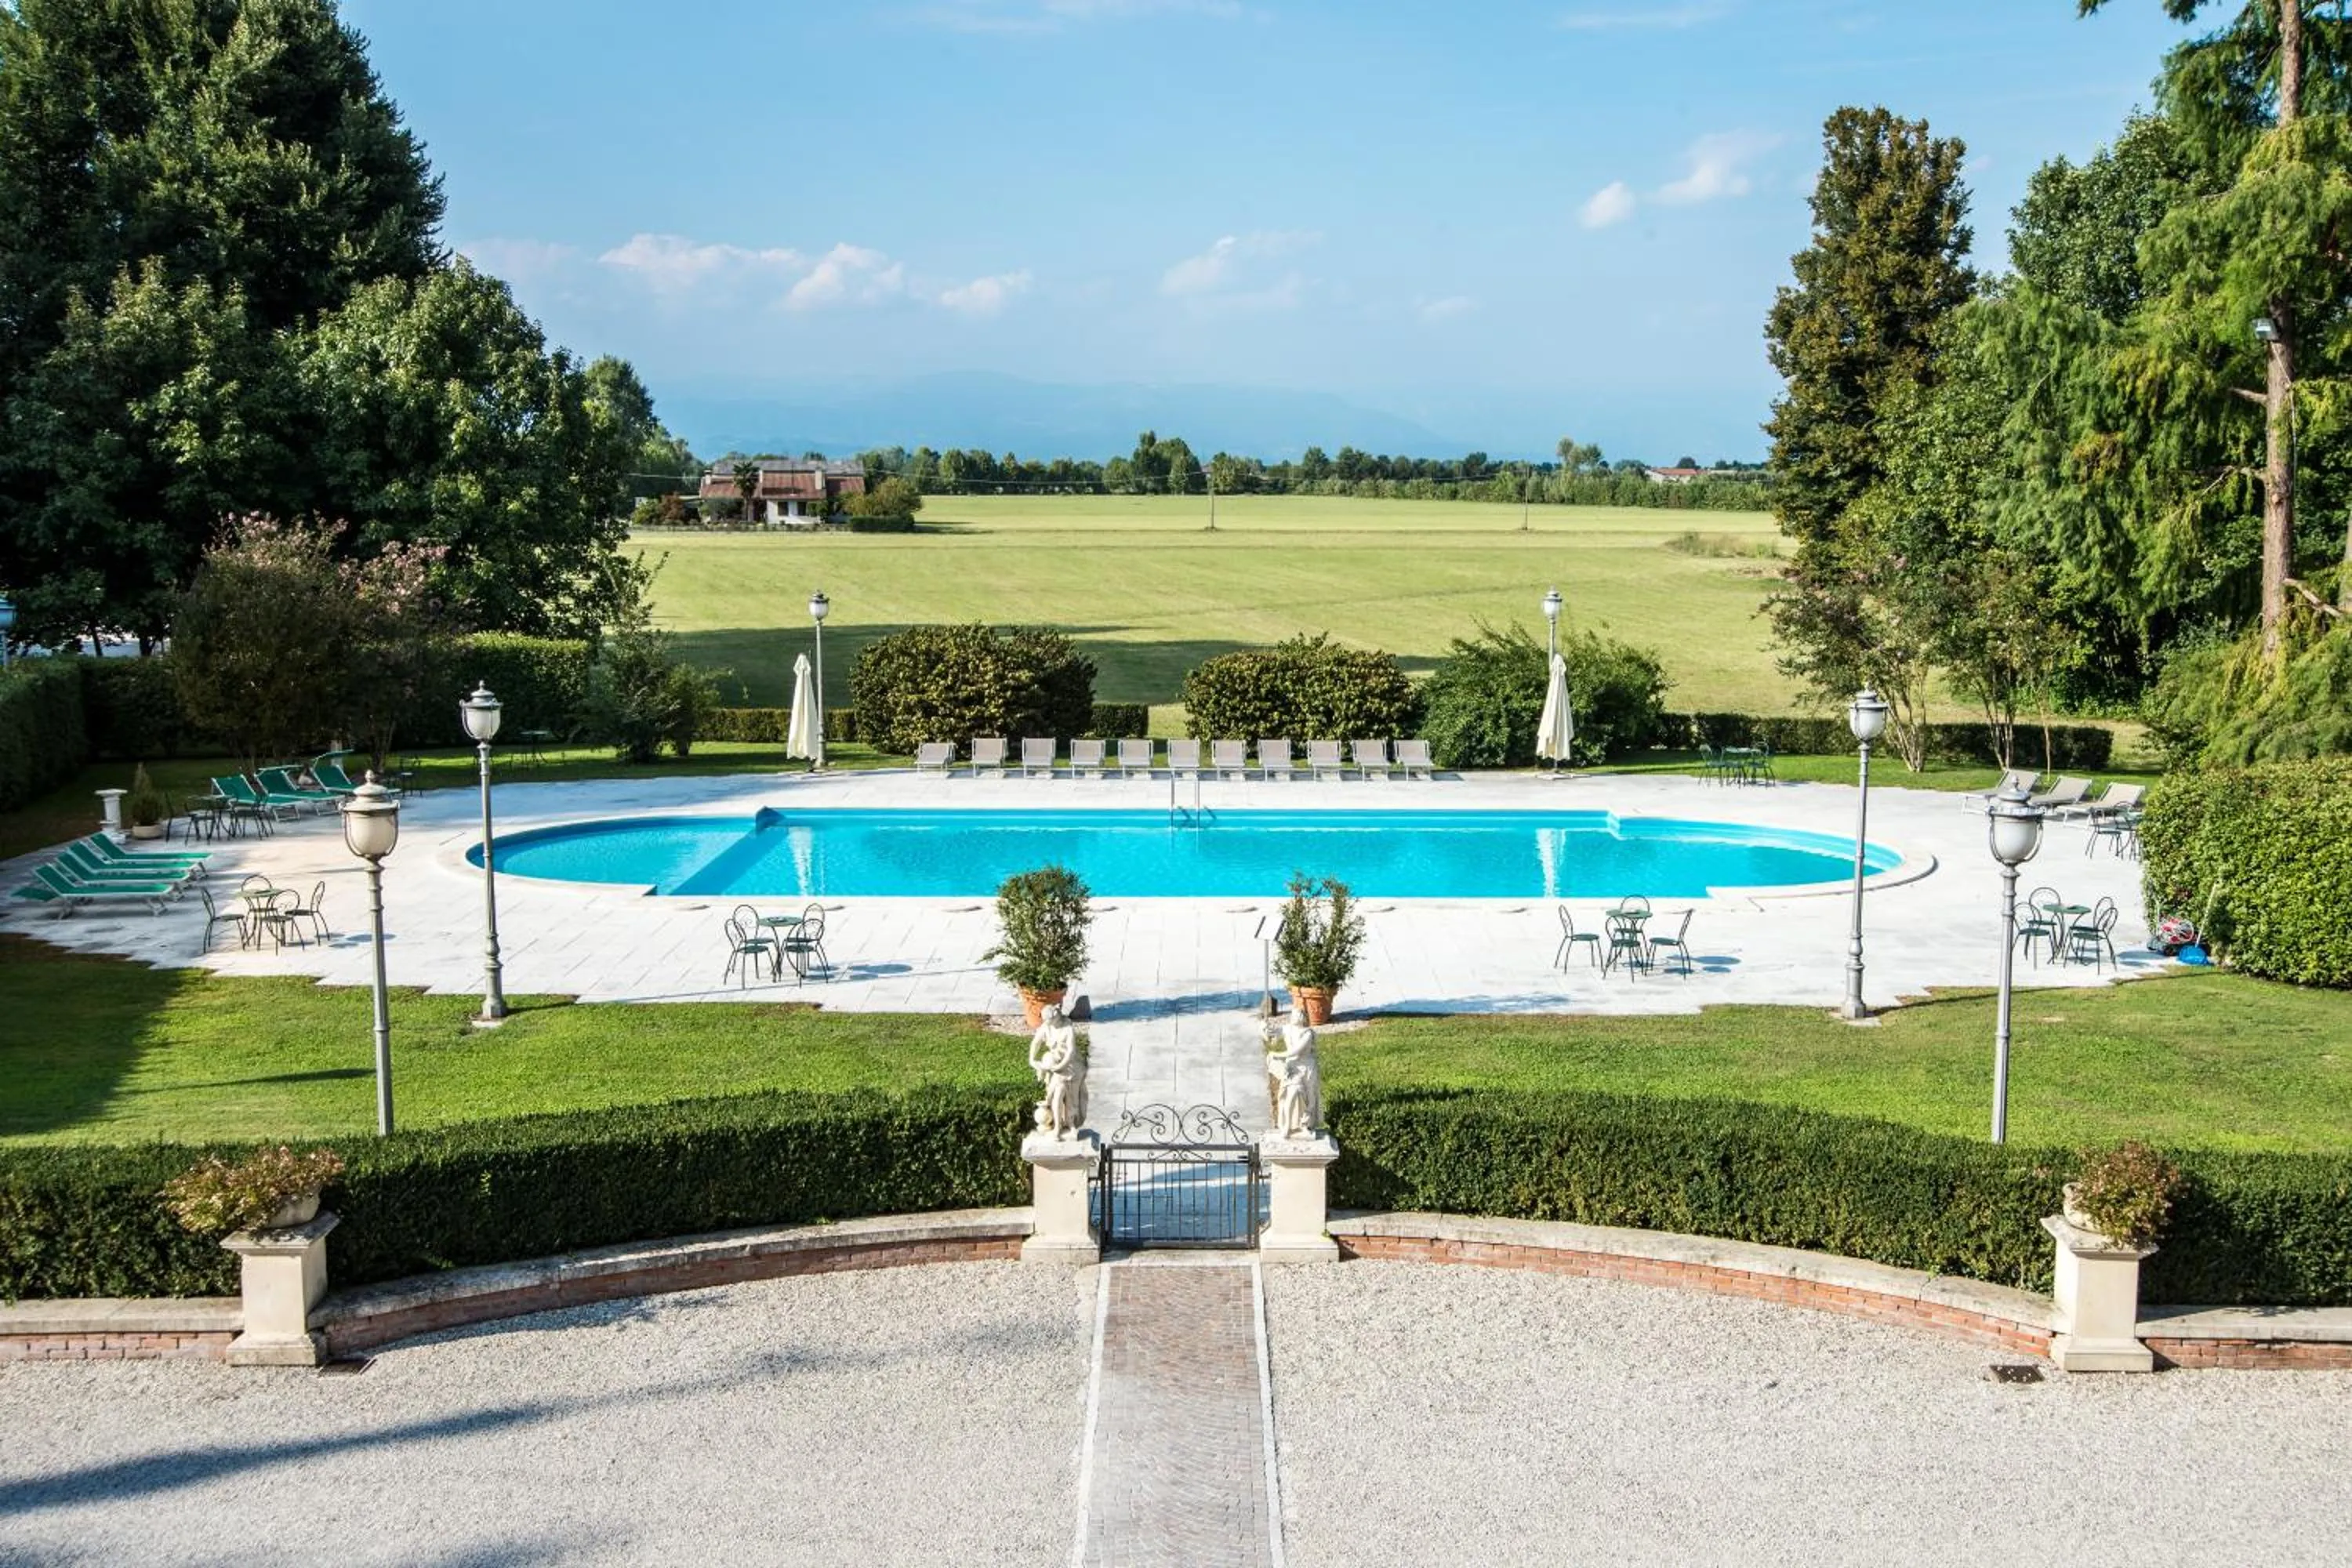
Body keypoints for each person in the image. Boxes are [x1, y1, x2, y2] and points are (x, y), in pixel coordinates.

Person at [1028, 1004, 1086, 1138]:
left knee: (1071, 1099)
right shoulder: (1046, 1027)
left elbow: (1071, 1051)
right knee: (1057, 1095)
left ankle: (1071, 1124)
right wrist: (1032, 1059)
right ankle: (1058, 1127)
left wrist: (1060, 1067)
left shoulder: (1067, 1027)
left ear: (1055, 1017)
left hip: (1071, 1067)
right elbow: (1036, 1042)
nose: (1046, 1024)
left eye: (1048, 1021)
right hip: (1056, 1066)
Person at [1262, 1014, 1323, 1139]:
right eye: (1294, 1014)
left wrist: (1277, 1055)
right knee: (1291, 1095)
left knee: (1310, 1098)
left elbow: (1296, 1051)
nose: (1296, 1016)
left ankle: (1306, 1124)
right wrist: (1265, 1028)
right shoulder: (1287, 1029)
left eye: (1299, 1014)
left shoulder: (1308, 1034)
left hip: (1306, 1067)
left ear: (1303, 1018)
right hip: (1292, 1069)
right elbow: (1272, 1035)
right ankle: (1287, 1126)